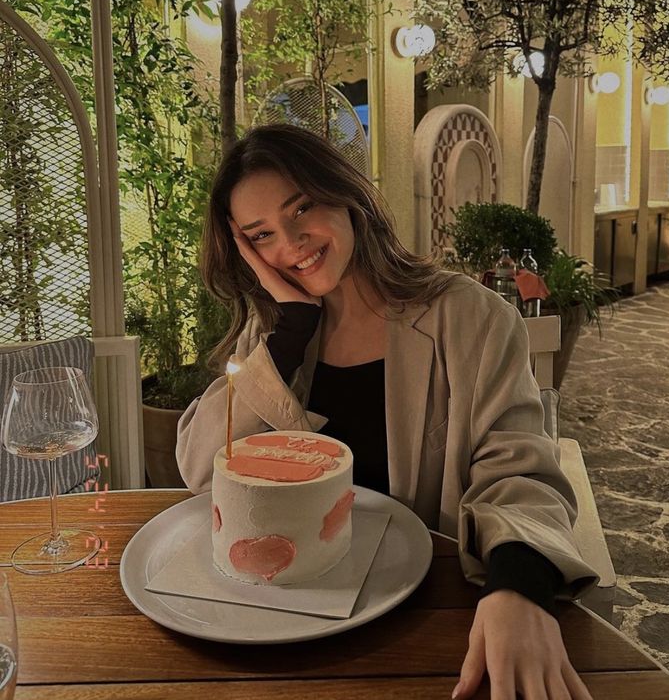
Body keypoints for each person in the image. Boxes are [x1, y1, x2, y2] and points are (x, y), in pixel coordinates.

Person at [177, 124, 598, 700]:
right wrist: (291, 333)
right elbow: (204, 469)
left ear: (345, 194)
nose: (293, 240)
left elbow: (518, 472)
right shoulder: (272, 335)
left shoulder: (469, 317)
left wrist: (518, 591)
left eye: (302, 208)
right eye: (262, 235)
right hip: (290, 623)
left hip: (428, 619)